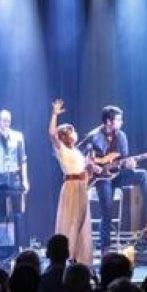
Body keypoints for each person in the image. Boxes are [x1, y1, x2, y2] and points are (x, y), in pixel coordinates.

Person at [81, 105, 147, 253]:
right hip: (101, 178)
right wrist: (91, 166)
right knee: (107, 211)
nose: (121, 122)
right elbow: (78, 153)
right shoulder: (94, 136)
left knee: (142, 174)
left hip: (117, 174)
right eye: (118, 119)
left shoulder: (121, 136)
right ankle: (105, 249)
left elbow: (123, 159)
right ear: (108, 121)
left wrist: (130, 164)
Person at [49, 100, 95, 265]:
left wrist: (90, 169)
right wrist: (55, 114)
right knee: (72, 220)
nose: (74, 133)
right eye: (71, 131)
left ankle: (80, 256)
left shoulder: (76, 152)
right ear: (64, 136)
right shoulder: (62, 150)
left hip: (81, 187)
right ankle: (69, 256)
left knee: (81, 221)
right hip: (71, 187)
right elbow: (52, 134)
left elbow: (85, 171)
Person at [0, 109, 29, 248]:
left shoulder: (18, 136)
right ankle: (1, 246)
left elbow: (23, 160)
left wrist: (25, 179)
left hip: (14, 176)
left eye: (8, 120)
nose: (6, 123)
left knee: (18, 212)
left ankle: (19, 245)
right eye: (3, 120)